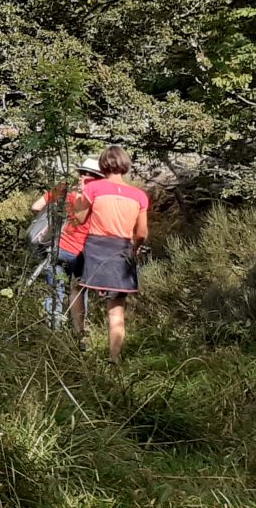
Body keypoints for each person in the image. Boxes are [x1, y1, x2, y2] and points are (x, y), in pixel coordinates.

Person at [77, 147, 149, 361]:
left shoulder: (94, 189)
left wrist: (81, 193)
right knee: (116, 311)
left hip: (96, 248)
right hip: (122, 250)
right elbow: (142, 233)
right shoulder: (139, 195)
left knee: (77, 289)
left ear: (103, 164)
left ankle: (80, 337)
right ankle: (114, 358)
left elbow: (79, 218)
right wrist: (133, 250)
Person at [31, 157, 102, 330]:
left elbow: (36, 206)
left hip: (58, 248)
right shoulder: (100, 197)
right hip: (83, 253)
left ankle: (53, 331)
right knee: (79, 291)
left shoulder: (64, 189)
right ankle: (78, 332)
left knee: (55, 291)